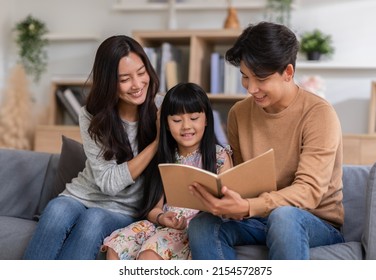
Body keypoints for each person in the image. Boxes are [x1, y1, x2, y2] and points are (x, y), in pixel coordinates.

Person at [187, 21, 344, 260]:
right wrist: (225, 198)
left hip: (314, 220)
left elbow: (310, 191)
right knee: (203, 224)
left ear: (288, 72)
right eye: (245, 77)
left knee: (284, 216)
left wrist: (250, 206)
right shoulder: (238, 113)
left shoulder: (319, 114)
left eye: (260, 78)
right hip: (259, 217)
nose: (250, 88)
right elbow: (243, 178)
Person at [23, 35, 160, 259]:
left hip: (125, 209)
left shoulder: (161, 109)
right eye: (125, 79)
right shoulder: (91, 114)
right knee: (56, 210)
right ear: (108, 82)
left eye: (141, 72)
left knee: (94, 219)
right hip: (81, 195)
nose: (137, 84)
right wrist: (155, 146)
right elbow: (108, 182)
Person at [101, 82, 233, 260]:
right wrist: (163, 217)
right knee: (117, 246)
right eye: (177, 120)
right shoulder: (165, 157)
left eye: (194, 118)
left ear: (207, 119)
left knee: (149, 254)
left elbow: (229, 205)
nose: (186, 126)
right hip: (162, 225)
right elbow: (153, 208)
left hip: (192, 229)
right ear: (166, 124)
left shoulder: (219, 156)